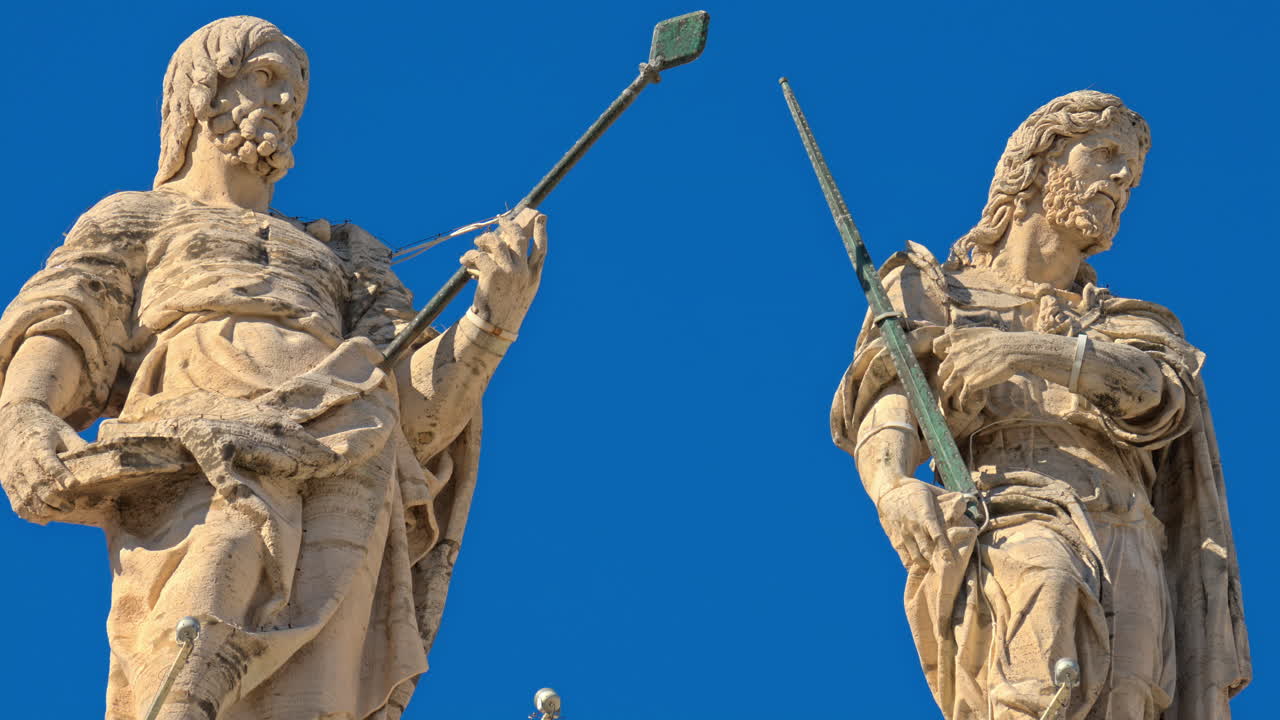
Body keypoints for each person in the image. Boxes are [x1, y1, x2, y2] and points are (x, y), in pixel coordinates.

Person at [0, 16, 546, 719]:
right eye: (263, 76)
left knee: (321, 694)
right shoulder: (138, 217)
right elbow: (67, 320)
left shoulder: (349, 257)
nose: (285, 101)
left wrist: (490, 322)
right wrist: (24, 414)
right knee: (192, 646)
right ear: (202, 92)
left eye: (294, 88)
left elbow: (412, 408)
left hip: (350, 452)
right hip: (203, 445)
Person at [831, 90, 1249, 719]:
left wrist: (1027, 352)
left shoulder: (1126, 322)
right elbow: (892, 396)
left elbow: (1159, 396)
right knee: (1045, 617)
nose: (1120, 181)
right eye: (1104, 155)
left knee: (1129, 700)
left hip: (1128, 533)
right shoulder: (932, 290)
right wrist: (891, 485)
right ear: (1039, 163)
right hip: (1012, 508)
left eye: (1131, 174)